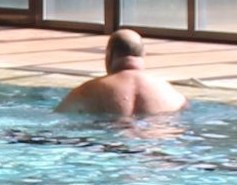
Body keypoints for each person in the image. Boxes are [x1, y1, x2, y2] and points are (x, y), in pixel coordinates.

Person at [54, 29, 187, 118]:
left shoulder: (85, 92)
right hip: (154, 149)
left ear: (109, 55)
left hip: (107, 149)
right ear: (143, 54)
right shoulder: (171, 94)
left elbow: (58, 119)